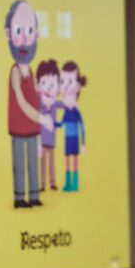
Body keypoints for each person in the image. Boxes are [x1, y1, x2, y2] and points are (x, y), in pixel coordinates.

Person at [5, 0, 54, 208]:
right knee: (19, 161)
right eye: (19, 30)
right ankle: (19, 198)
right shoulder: (15, 72)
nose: (25, 38)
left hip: (32, 128)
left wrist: (47, 93)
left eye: (30, 31)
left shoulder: (30, 71)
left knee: (33, 160)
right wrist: (41, 117)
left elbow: (35, 92)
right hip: (19, 127)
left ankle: (34, 195)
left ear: (37, 35)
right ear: (8, 34)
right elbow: (22, 101)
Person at [58, 61, 87, 192]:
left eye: (69, 82)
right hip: (67, 139)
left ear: (78, 86)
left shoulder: (76, 111)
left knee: (74, 161)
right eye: (62, 81)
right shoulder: (66, 111)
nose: (65, 87)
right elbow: (61, 124)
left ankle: (74, 184)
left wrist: (83, 143)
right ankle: (68, 183)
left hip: (75, 139)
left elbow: (82, 127)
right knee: (67, 161)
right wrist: (53, 124)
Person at [36, 59, 62, 191]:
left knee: (51, 162)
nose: (49, 87)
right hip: (41, 140)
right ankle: (42, 184)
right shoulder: (40, 103)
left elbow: (66, 105)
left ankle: (52, 182)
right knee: (43, 163)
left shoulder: (55, 103)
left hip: (51, 140)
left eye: (52, 84)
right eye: (44, 83)